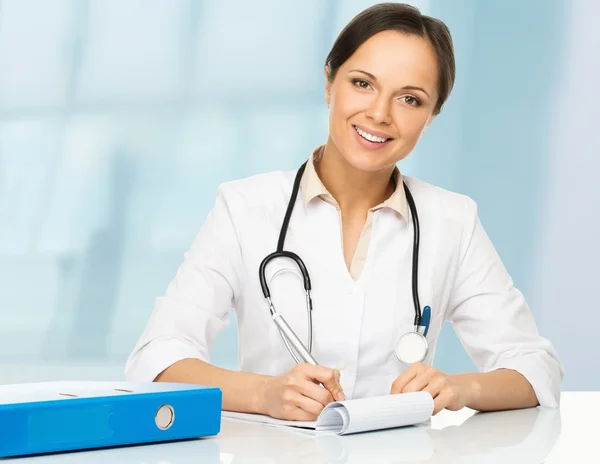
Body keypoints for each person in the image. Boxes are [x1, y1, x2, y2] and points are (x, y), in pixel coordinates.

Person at [125, 3, 563, 419]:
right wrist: (264, 393)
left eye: (409, 99)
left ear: (431, 115)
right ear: (329, 82)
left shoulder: (452, 220)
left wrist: (459, 389)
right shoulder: (245, 207)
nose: (379, 113)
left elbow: (535, 367)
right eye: (362, 83)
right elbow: (158, 356)